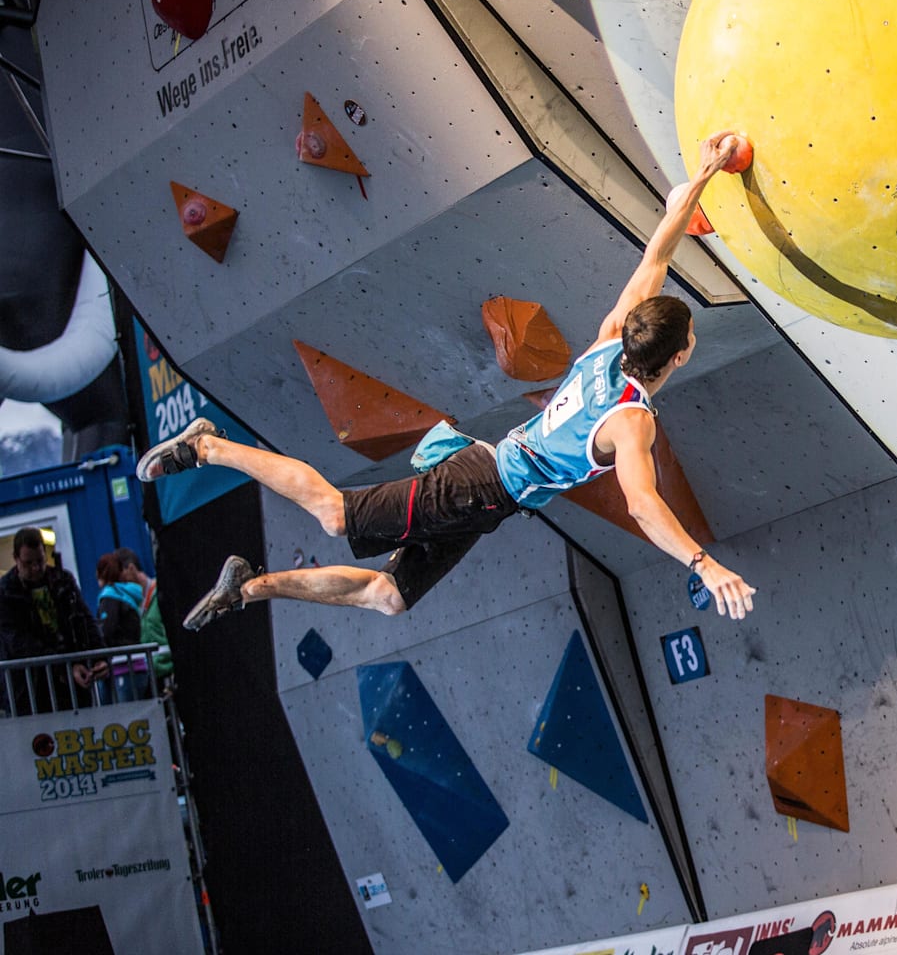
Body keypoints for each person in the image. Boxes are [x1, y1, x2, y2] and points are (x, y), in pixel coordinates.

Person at [137, 131, 757, 630]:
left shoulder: (608, 342)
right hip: (478, 484)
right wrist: (703, 565)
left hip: (489, 493)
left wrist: (703, 171)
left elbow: (657, 253)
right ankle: (206, 445)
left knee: (388, 598)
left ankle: (247, 587)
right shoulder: (631, 421)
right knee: (333, 514)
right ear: (679, 356)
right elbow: (643, 506)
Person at [0, 527, 102, 714]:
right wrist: (66, 666)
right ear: (16, 560)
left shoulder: (63, 580)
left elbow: (85, 619)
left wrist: (99, 657)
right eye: (28, 563)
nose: (36, 568)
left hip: (68, 684)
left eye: (40, 561)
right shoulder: (5, 593)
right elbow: (18, 642)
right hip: (28, 689)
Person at [95, 551, 151, 703]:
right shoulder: (129, 595)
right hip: (138, 665)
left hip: (121, 667)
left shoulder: (109, 597)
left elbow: (107, 631)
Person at [116, 546, 173, 683]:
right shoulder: (127, 604)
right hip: (148, 677)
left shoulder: (162, 592)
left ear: (131, 569)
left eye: (122, 580)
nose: (120, 586)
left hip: (170, 672)